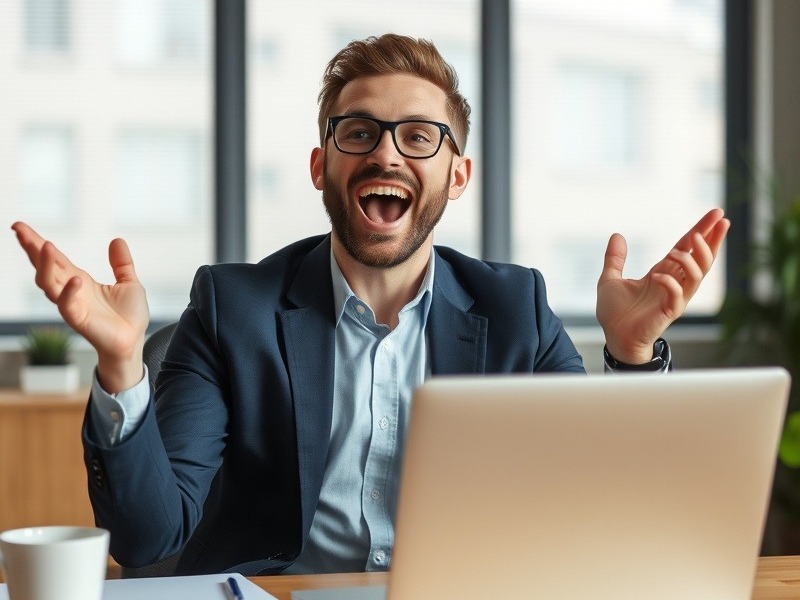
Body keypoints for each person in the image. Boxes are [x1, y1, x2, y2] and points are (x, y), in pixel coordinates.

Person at [12, 34, 730, 576]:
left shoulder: (519, 310)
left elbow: (602, 517)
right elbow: (147, 540)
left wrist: (632, 358)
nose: (387, 155)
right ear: (322, 164)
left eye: (419, 136)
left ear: (457, 176)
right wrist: (118, 364)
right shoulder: (233, 308)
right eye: (359, 132)